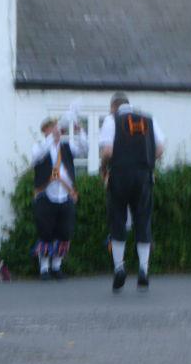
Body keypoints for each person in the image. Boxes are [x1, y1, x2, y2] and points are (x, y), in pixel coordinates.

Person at [99, 91, 165, 292]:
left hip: (119, 175)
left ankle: (119, 268)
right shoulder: (148, 119)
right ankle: (143, 270)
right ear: (128, 104)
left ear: (113, 107)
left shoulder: (112, 121)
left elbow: (108, 151)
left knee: (117, 219)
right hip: (144, 176)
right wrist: (145, 159)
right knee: (143, 220)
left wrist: (104, 168)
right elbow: (160, 148)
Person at [31, 116, 88, 280]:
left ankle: (56, 267)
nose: (56, 130)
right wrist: (51, 139)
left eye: (57, 127)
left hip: (65, 194)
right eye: (52, 127)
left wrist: (80, 131)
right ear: (45, 131)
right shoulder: (39, 147)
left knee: (64, 232)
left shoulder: (67, 146)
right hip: (45, 194)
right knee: (45, 232)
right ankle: (44, 268)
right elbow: (38, 156)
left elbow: (84, 149)